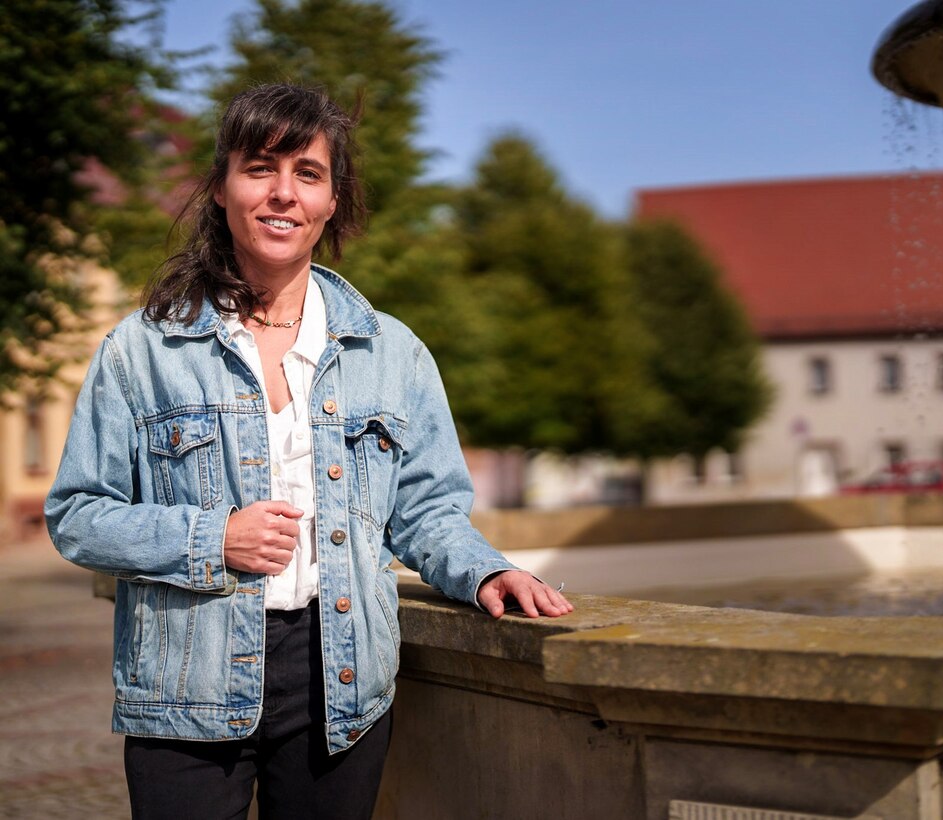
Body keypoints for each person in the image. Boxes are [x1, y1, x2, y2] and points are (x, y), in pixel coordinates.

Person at [44, 83, 572, 820]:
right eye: (260, 168)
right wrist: (213, 536)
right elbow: (77, 515)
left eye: (309, 174)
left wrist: (484, 569)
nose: (283, 194)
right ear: (223, 188)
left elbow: (424, 512)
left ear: (332, 202)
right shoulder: (141, 350)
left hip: (343, 682)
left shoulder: (393, 353)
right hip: (185, 686)